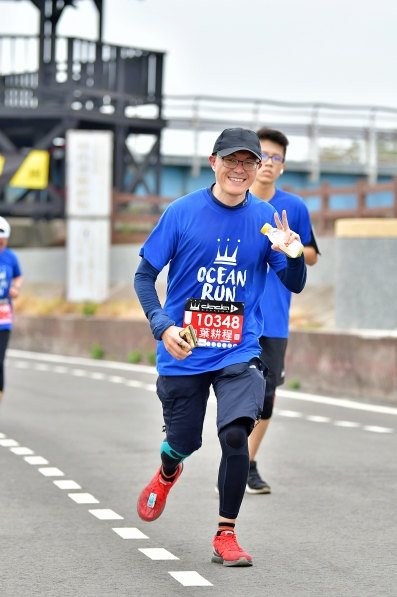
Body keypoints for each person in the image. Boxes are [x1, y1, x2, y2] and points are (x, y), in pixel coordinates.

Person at [134, 128, 307, 567]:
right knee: (184, 440)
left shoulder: (265, 217)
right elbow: (144, 276)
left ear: (256, 170)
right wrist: (162, 326)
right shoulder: (181, 212)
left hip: (238, 349)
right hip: (186, 348)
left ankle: (225, 533)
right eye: (231, 160)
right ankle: (168, 469)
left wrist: (293, 254)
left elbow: (295, 283)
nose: (239, 169)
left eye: (248, 162)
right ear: (213, 162)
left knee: (235, 435)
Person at [247, 127, 320, 494]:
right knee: (229, 391)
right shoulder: (233, 200)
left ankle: (246, 463)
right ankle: (233, 457)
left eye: (275, 157)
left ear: (282, 166)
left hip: (274, 318)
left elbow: (312, 255)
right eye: (262, 155)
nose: (268, 163)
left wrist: (288, 246)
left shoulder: (294, 207)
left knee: (266, 398)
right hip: (233, 315)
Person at [0, 216, 23, 407]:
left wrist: (16, 287)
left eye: (2, 243)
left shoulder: (10, 257)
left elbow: (18, 277)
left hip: (3, 316)